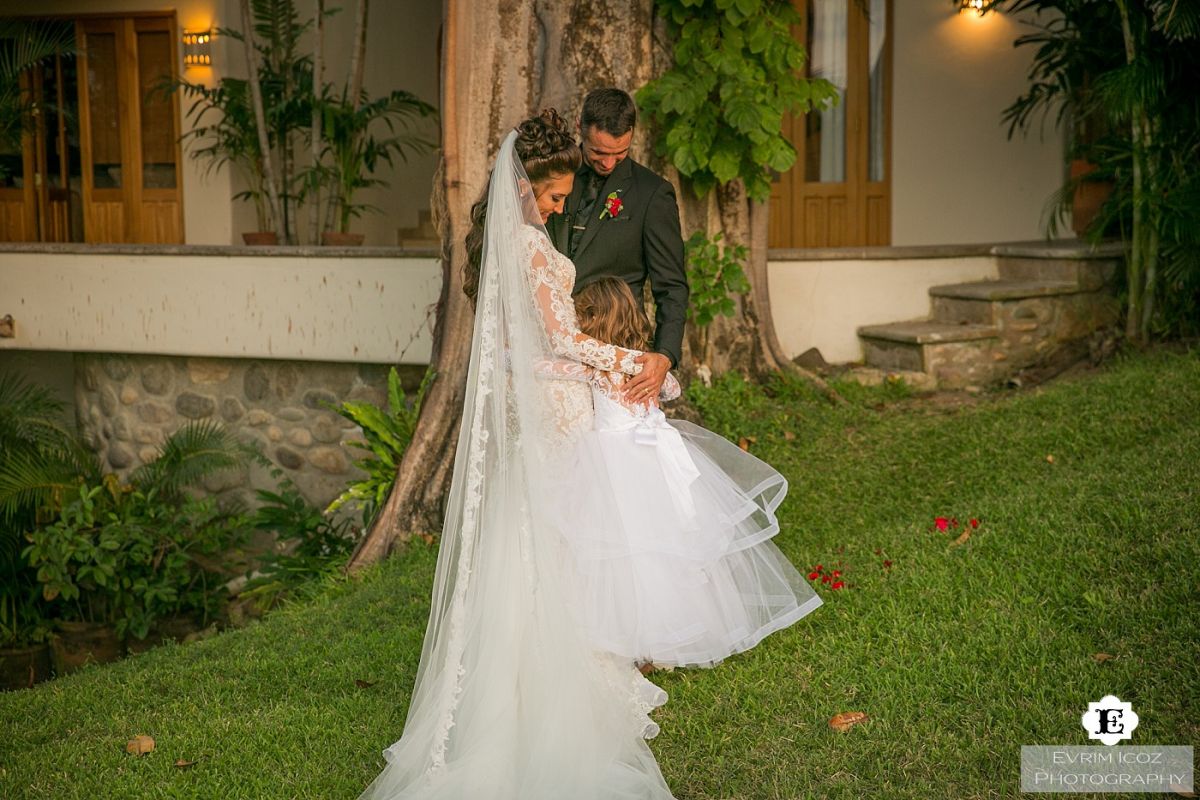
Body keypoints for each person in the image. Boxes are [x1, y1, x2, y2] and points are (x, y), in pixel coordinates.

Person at [358, 110, 677, 800]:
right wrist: (637, 360)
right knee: (553, 541)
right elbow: (561, 341)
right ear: (527, 187)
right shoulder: (529, 249)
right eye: (555, 196)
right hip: (551, 415)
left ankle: (521, 688)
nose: (561, 207)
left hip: (530, 405)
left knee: (528, 540)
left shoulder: (501, 245)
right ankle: (551, 700)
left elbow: (520, 347)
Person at [543, 277, 823, 669]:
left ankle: (632, 641)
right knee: (665, 547)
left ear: (593, 319)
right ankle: (667, 640)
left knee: (626, 552)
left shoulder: (595, 367)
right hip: (656, 460)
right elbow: (671, 389)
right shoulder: (647, 364)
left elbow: (544, 366)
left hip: (615, 466)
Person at [546, 88, 688, 409]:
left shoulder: (653, 194)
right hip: (551, 341)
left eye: (619, 153)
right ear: (581, 126)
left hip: (614, 347)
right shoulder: (556, 176)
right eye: (598, 152)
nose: (608, 162)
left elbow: (672, 287)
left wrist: (665, 355)